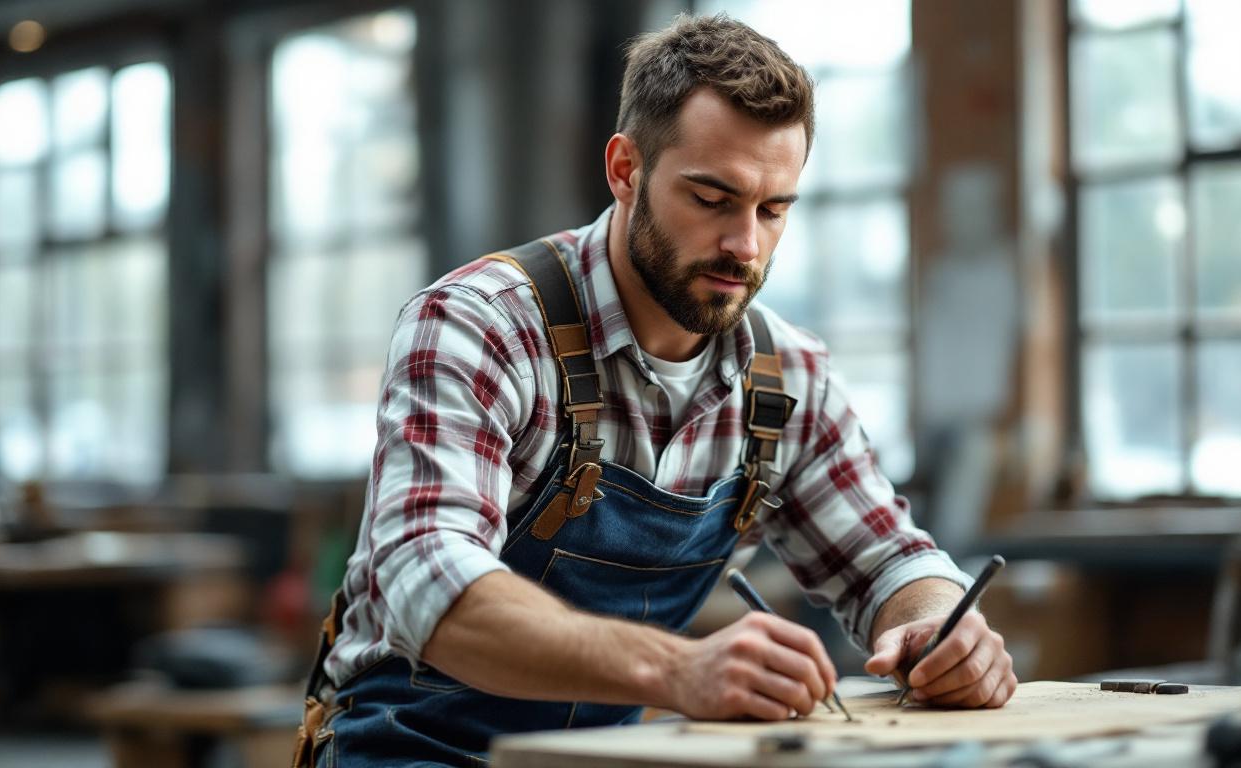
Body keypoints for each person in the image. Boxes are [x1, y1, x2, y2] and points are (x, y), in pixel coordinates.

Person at [293, 12, 1016, 768]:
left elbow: (887, 561)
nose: (745, 245)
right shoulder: (479, 327)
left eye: (773, 210)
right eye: (712, 199)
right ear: (625, 170)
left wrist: (939, 626)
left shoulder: (787, 376)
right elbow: (427, 584)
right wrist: (678, 669)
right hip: (412, 748)